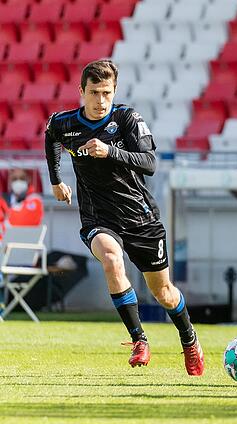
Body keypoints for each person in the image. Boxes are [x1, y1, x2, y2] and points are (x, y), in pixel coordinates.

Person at [43, 60, 204, 375]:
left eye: (106, 92)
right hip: (98, 217)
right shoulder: (65, 123)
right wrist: (56, 180)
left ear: (114, 91)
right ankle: (139, 339)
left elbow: (149, 163)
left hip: (140, 217)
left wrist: (110, 152)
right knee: (112, 260)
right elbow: (51, 138)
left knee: (164, 293)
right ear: (81, 92)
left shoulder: (127, 119)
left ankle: (188, 337)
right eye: (94, 93)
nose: (101, 100)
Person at [0, 168, 44, 236]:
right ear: (9, 180)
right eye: (14, 179)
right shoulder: (3, 200)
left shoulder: (35, 199)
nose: (18, 182)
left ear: (29, 179)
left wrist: (7, 217)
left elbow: (23, 222)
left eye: (22, 178)